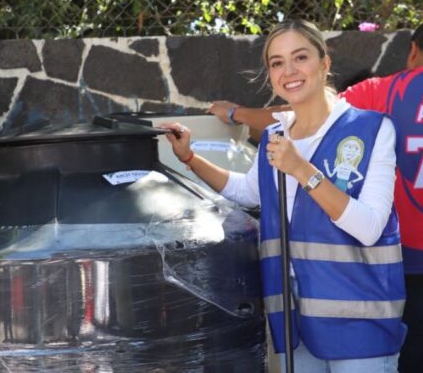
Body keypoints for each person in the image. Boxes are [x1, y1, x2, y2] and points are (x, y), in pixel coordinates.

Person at [209, 17, 423, 372]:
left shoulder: (381, 92)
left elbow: (305, 110)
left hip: (407, 275)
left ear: (413, 51)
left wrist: (236, 113)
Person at [164, 19, 406, 372]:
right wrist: (189, 157)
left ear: (324, 63)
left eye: (300, 57)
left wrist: (301, 169)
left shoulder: (372, 129)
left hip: (360, 322)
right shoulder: (276, 136)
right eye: (277, 62)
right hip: (296, 320)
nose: (288, 71)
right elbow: (247, 191)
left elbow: (369, 227)